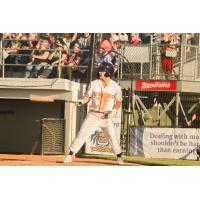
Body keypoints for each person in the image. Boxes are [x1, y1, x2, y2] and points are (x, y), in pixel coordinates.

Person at [63, 62, 124, 165]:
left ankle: (119, 157)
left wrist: (114, 111)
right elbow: (87, 96)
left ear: (108, 72)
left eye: (102, 70)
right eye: (100, 70)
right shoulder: (94, 83)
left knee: (112, 137)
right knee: (81, 135)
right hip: (93, 115)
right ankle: (70, 155)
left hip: (106, 117)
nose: (100, 72)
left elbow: (118, 102)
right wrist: (82, 101)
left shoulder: (116, 87)